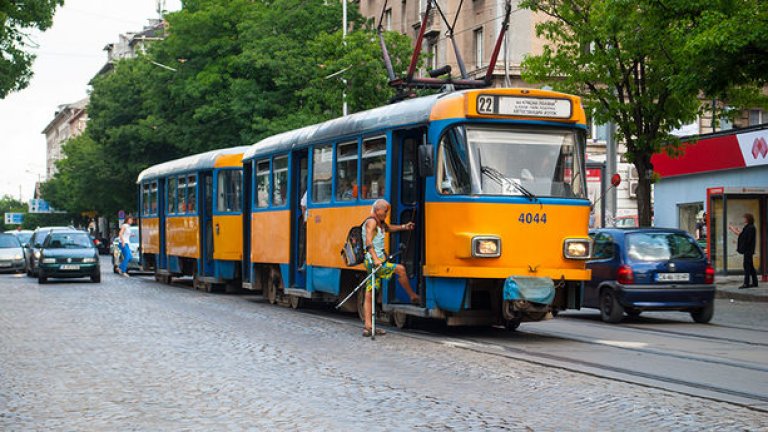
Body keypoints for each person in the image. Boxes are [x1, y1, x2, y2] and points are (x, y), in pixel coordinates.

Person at [361, 199, 420, 337]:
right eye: (385, 211)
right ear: (377, 210)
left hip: (375, 261)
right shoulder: (371, 222)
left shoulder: (380, 223)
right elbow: (368, 241)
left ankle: (368, 327)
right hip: (373, 262)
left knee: (370, 293)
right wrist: (376, 259)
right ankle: (412, 296)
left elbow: (389, 228)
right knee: (400, 269)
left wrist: (404, 227)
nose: (386, 214)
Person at [729, 213, 758, 289]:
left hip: (748, 250)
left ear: (748, 219)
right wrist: (738, 231)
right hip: (748, 250)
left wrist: (734, 230)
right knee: (750, 266)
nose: (744, 219)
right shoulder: (749, 227)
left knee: (747, 266)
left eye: (745, 218)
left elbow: (744, 238)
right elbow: (743, 236)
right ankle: (755, 282)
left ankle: (746, 283)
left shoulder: (750, 228)